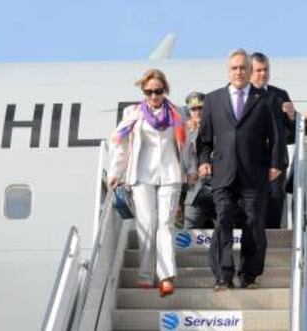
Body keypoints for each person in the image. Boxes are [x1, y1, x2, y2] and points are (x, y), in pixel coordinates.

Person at [197, 49, 285, 291]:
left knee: (254, 222)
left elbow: (276, 135)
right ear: (229, 70)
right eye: (234, 68)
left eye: (243, 68)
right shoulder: (214, 99)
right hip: (223, 172)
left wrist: (276, 164)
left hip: (254, 172)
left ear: (249, 70)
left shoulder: (265, 100)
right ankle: (223, 275)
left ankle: (249, 275)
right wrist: (204, 160)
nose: (239, 72)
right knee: (223, 217)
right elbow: (204, 139)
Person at [108, 69, 186, 297]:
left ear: (165, 90)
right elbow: (122, 145)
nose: (153, 96)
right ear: (143, 92)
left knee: (165, 225)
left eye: (158, 91)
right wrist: (115, 172)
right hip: (142, 175)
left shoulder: (177, 114)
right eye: (149, 92)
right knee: (147, 224)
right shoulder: (133, 114)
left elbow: (185, 147)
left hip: (170, 174)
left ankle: (166, 277)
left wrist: (189, 170)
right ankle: (144, 275)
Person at [250, 52, 296, 228]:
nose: (263, 74)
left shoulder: (280, 94)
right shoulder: (241, 95)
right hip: (250, 160)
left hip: (275, 162)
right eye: (258, 70)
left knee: (275, 201)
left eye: (266, 70)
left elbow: (291, 134)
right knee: (250, 204)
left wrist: (292, 116)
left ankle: (272, 247)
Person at [182, 92, 216, 229]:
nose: (197, 112)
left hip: (218, 191)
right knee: (187, 238)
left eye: (201, 108)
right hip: (194, 194)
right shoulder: (184, 133)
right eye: (193, 109)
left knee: (226, 237)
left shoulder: (220, 128)